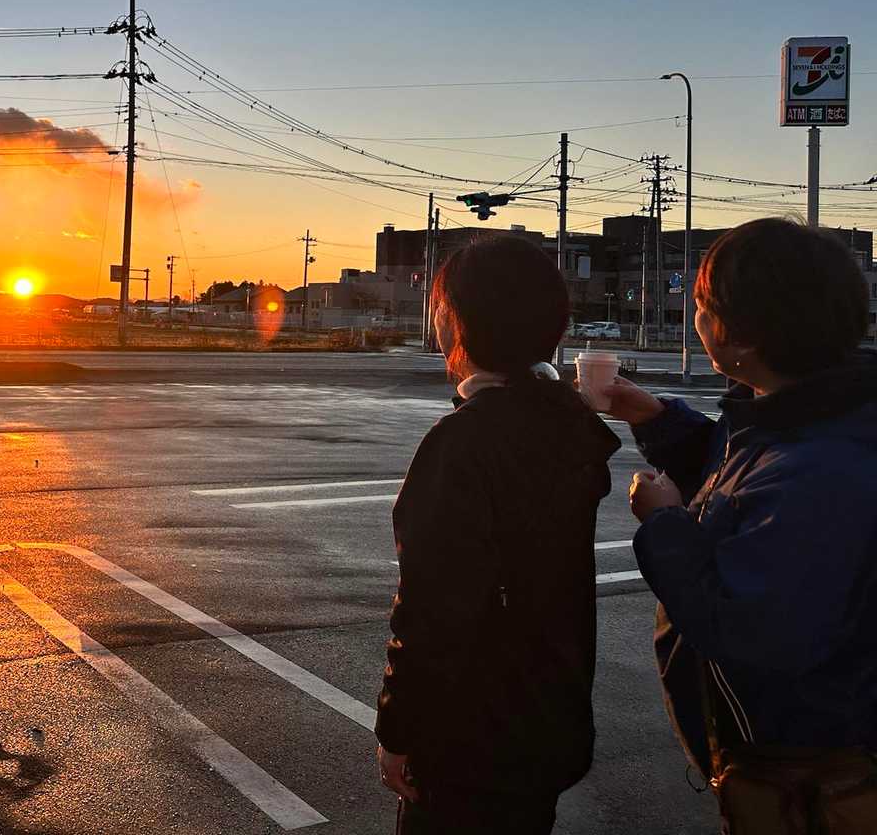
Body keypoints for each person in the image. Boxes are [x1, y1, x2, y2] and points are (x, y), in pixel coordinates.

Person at [610, 218, 877, 832]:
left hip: (809, 782)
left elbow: (748, 630)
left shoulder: (822, 469)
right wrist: (655, 419)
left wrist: (666, 525)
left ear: (740, 335)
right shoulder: (808, 416)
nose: (695, 319)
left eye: (702, 306)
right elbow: (742, 478)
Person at [375, 235, 619, 834]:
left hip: (470, 738)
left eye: (440, 309)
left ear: (458, 325)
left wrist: (398, 728)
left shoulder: (463, 444)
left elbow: (432, 611)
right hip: (547, 722)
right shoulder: (569, 429)